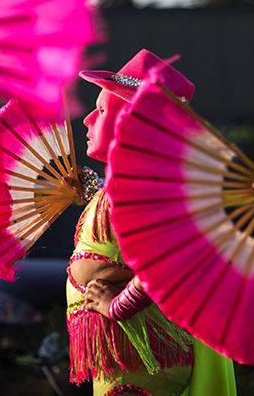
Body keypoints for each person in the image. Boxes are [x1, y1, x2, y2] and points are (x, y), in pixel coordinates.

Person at [67, 49, 236, 395]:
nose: (86, 119)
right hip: (128, 360)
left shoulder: (147, 187)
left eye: (100, 110)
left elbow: (170, 264)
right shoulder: (139, 182)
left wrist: (117, 306)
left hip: (142, 360)